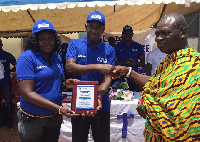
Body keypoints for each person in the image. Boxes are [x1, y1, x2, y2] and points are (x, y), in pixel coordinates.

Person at [112, 13, 200, 141]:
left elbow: (179, 112)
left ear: (183, 32)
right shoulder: (168, 63)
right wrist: (127, 71)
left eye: (165, 33)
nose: (159, 38)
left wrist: (146, 104)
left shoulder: (192, 66)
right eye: (157, 34)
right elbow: (156, 83)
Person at [16, 19, 79, 142]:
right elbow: (27, 93)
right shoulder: (27, 58)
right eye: (42, 39)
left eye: (50, 38)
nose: (47, 42)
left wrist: (65, 84)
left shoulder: (56, 57)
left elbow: (54, 84)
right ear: (35, 40)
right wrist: (59, 108)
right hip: (32, 120)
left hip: (54, 117)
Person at [65, 11, 115, 142]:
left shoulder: (109, 50)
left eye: (98, 28)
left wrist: (98, 96)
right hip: (79, 103)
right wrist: (98, 66)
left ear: (103, 30)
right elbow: (70, 67)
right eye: (91, 26)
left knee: (102, 139)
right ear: (85, 26)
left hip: (101, 104)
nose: (94, 30)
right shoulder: (75, 44)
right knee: (79, 139)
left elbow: (107, 78)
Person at [115, 25, 145, 91]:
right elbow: (112, 63)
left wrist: (135, 63)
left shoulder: (138, 46)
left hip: (134, 77)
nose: (127, 35)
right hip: (120, 77)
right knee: (120, 98)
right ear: (122, 34)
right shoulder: (117, 46)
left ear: (132, 34)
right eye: (126, 34)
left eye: (129, 34)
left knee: (135, 98)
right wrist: (123, 62)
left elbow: (142, 63)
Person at [0, 39, 16, 128]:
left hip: (6, 82)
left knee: (8, 101)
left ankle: (9, 121)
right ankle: (2, 120)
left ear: (1, 44)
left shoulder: (7, 55)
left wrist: (9, 71)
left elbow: (16, 65)